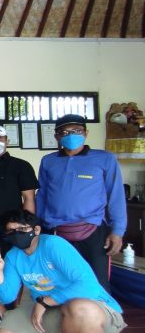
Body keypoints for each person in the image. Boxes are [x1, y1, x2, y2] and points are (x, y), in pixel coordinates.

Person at [0, 210, 126, 333]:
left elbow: (88, 285)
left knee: (79, 307)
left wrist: (45, 301)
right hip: (53, 310)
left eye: (21, 229)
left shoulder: (54, 245)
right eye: (11, 231)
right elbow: (7, 297)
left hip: (93, 307)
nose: (16, 235)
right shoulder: (13, 256)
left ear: (36, 230)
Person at [36, 114, 126, 291]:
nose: (71, 135)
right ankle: (66, 317)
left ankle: (104, 318)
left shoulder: (104, 159)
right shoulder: (48, 161)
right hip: (57, 232)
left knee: (97, 283)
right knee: (61, 281)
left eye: (76, 131)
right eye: (64, 132)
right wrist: (38, 227)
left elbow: (116, 196)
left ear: (86, 133)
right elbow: (42, 195)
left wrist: (117, 231)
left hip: (93, 231)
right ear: (56, 136)